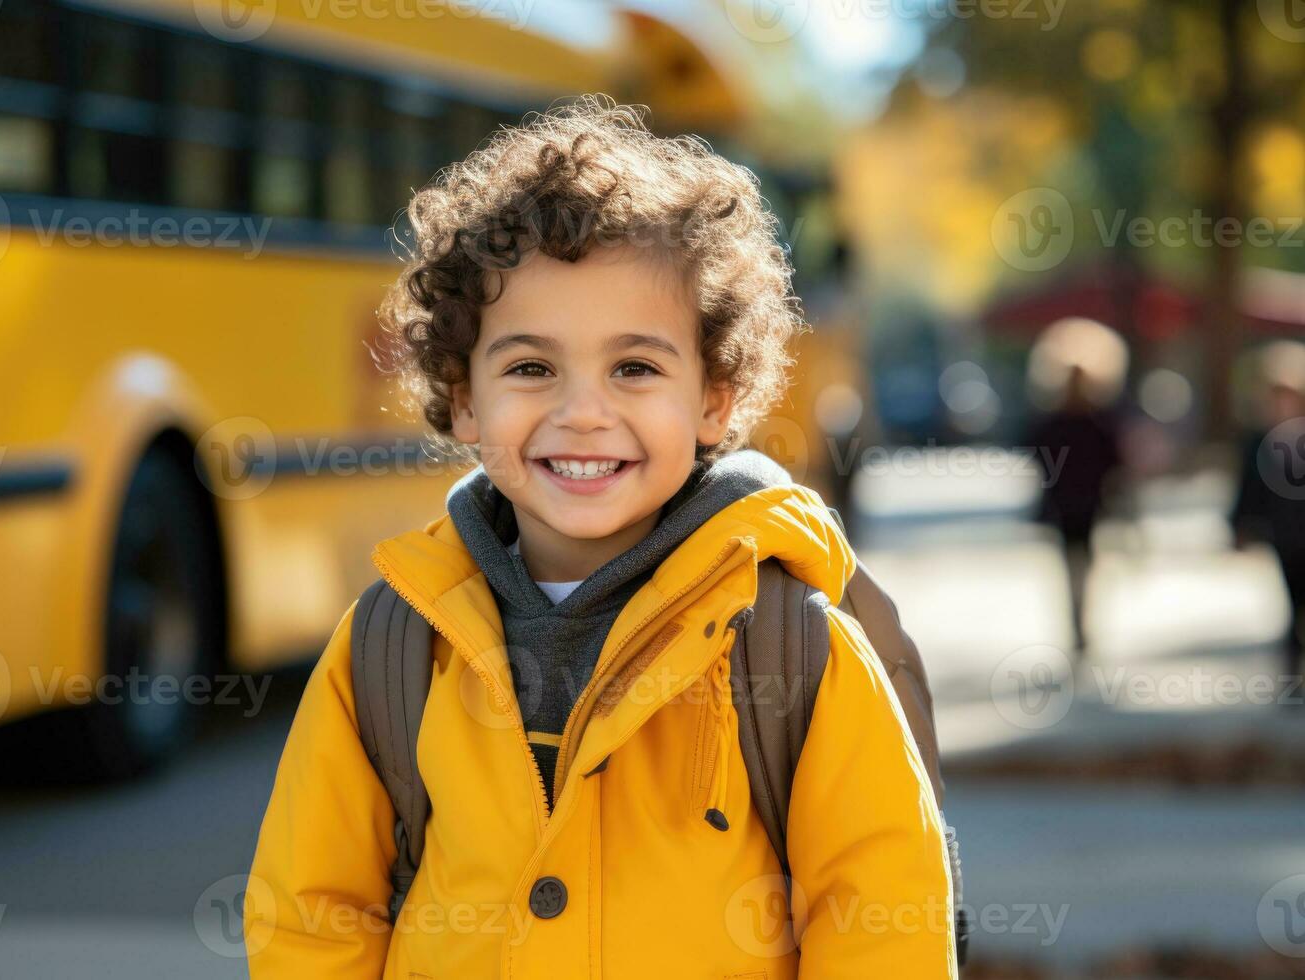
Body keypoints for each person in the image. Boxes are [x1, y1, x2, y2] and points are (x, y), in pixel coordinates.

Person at [244, 96, 956, 978]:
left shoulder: (793, 645)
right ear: (464, 397)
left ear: (714, 398)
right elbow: (312, 915)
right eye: (532, 368)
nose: (584, 414)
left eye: (635, 368)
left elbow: (884, 922)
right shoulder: (391, 645)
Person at [1026, 364, 1123, 656]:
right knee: (1074, 564)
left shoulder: (1096, 421)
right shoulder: (1064, 422)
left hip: (1086, 503)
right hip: (1066, 505)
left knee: (1081, 564)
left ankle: (1080, 617)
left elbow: (1113, 461)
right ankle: (1077, 619)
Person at [1230, 340, 1305, 690]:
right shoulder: (1259, 441)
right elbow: (1249, 487)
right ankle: (1291, 675)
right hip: (1285, 535)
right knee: (1292, 605)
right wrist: (1239, 526)